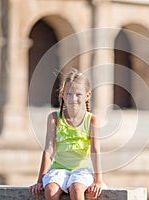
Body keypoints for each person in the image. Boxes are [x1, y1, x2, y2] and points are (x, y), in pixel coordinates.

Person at [29, 68, 104, 200]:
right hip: (59, 169)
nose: (73, 99)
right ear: (63, 95)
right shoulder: (54, 118)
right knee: (51, 191)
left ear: (87, 96)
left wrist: (98, 180)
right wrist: (40, 180)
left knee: (76, 189)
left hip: (82, 170)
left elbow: (95, 151)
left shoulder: (91, 120)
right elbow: (49, 150)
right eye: (68, 94)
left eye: (78, 94)